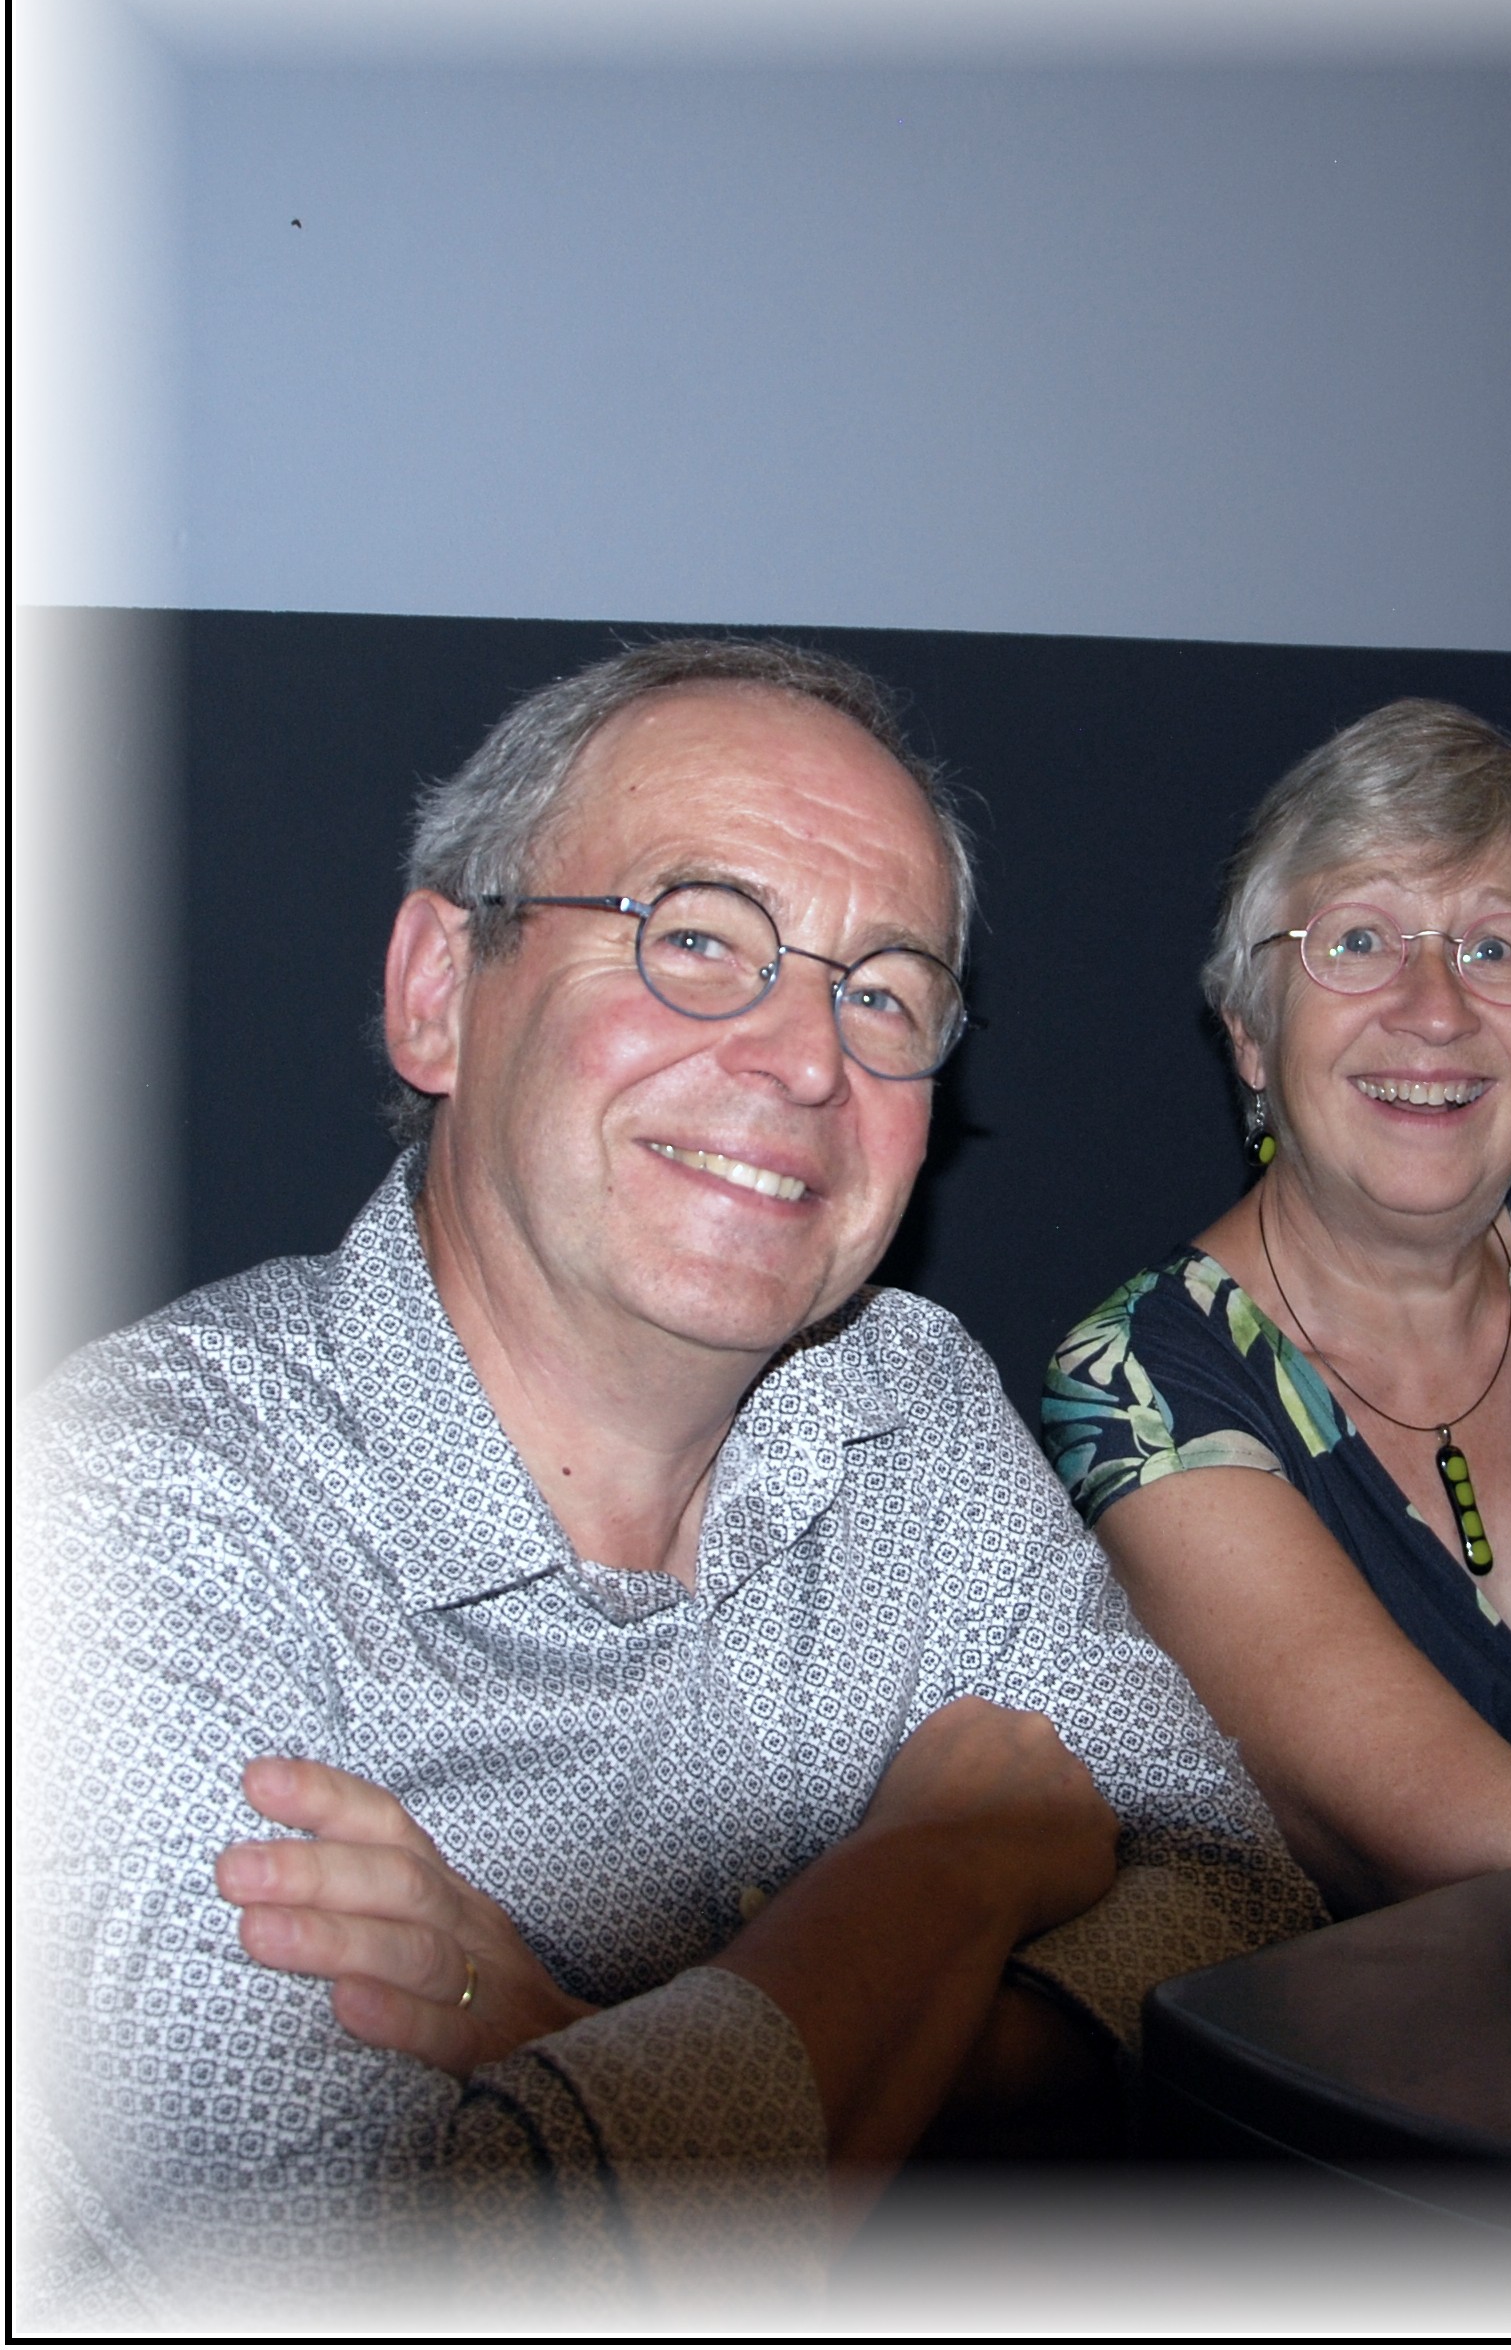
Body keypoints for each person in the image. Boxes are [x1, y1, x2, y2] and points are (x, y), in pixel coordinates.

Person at [19, 639, 1320, 2329]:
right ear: (439, 989)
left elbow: (1238, 1934)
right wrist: (933, 1880)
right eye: (696, 937)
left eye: (883, 993)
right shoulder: (129, 1519)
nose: (805, 1059)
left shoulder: (909, 1405)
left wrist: (580, 2044)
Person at [1044, 699, 1511, 1921]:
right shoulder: (1136, 1383)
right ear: (1250, 1035)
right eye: (1358, 940)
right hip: (1357, 2036)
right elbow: (1459, 1840)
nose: (1437, 1008)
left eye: (1496, 947)